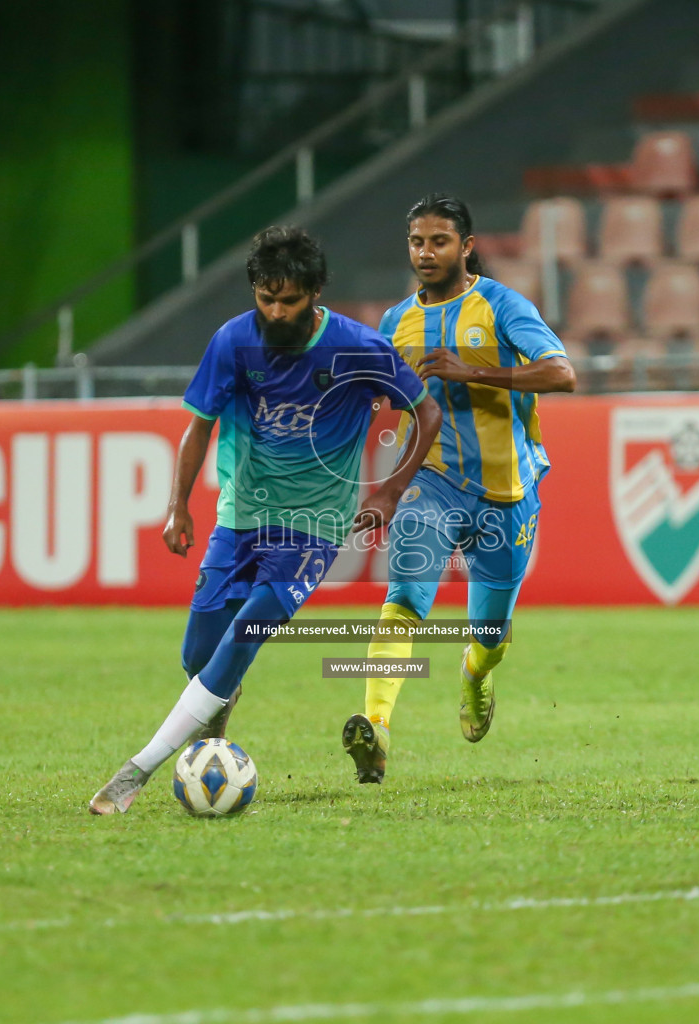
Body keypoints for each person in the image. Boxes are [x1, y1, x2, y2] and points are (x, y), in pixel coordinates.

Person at [90, 225, 441, 815]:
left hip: (314, 526)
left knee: (246, 634)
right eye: (265, 299)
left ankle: (136, 771)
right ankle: (217, 701)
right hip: (241, 517)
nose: (276, 312)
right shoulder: (232, 342)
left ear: (316, 293)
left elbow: (424, 411)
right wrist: (178, 505)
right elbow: (199, 425)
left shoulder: (356, 348)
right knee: (199, 656)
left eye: (289, 300)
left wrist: (390, 490)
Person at [342, 193, 576, 784]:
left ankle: (476, 670)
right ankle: (378, 731)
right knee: (405, 597)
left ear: (466, 247)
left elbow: (561, 373)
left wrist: (474, 372)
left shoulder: (501, 306)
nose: (426, 252)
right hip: (432, 483)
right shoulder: (396, 323)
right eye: (417, 242)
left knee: (490, 635)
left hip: (506, 491)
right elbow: (382, 398)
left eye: (439, 241)